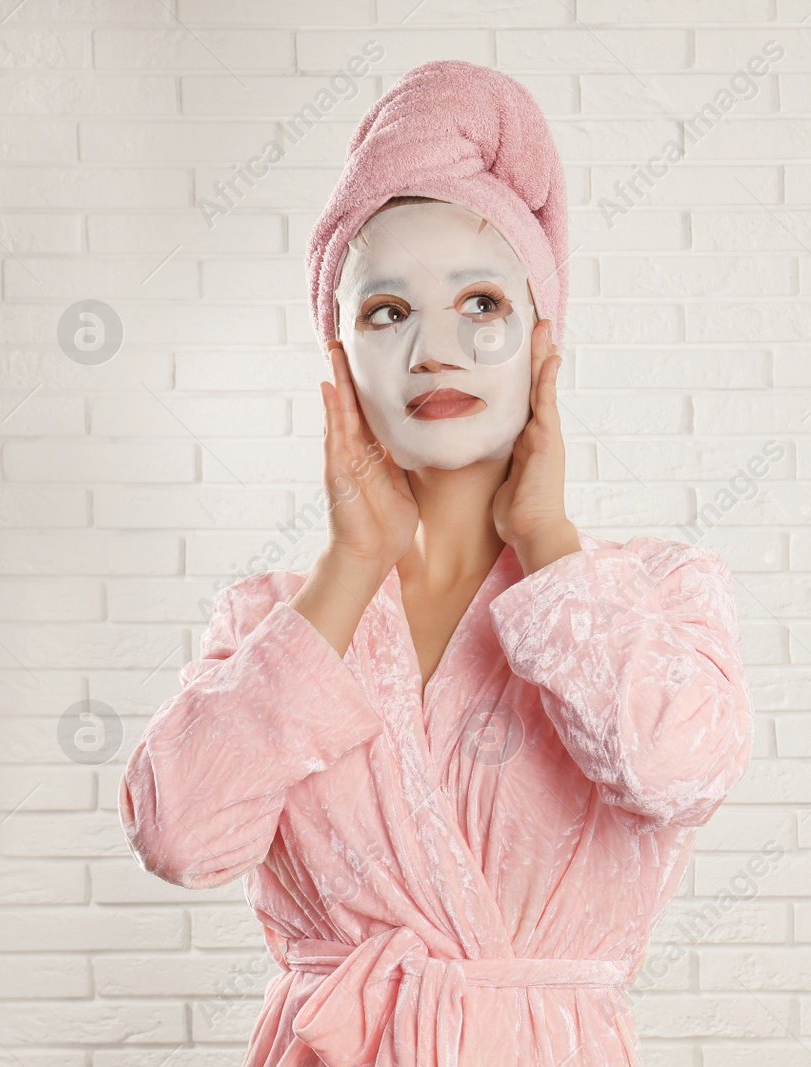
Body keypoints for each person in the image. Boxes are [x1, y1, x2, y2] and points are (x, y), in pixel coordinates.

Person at [117, 61, 755, 1067]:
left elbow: (679, 769)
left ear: (544, 341)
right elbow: (179, 833)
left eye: (482, 303)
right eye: (386, 313)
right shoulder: (274, 621)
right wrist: (349, 562)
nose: (436, 349)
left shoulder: (651, 592)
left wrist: (548, 542)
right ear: (341, 363)